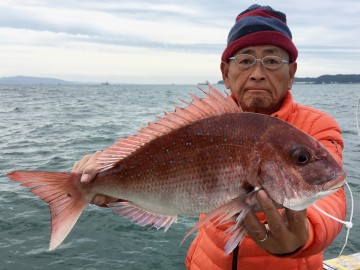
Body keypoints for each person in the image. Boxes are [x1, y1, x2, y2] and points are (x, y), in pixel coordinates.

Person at [72, 4, 346, 270]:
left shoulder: (317, 126)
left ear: (291, 74)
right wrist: (108, 182)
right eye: (246, 60)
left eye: (273, 61)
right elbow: (156, 173)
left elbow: (332, 204)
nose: (258, 74)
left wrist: (305, 236)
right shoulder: (203, 122)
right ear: (226, 74)